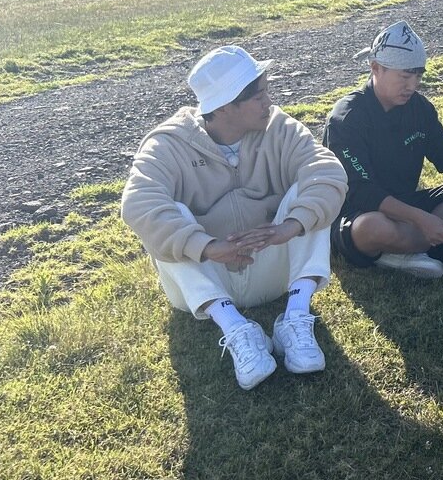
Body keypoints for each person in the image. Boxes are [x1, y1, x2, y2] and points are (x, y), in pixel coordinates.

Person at [121, 46, 348, 391]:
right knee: (170, 216)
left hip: (273, 271)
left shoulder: (280, 127)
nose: (269, 102)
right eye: (259, 96)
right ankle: (234, 327)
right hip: (206, 285)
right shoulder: (168, 143)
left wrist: (289, 227)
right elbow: (138, 203)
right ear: (225, 106)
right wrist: (209, 247)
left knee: (311, 192)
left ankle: (296, 315)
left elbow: (327, 170)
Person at [324, 20, 443, 279]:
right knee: (372, 227)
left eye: (418, 76)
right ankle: (430, 241)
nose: (412, 85)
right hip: (359, 213)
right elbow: (361, 191)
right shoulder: (347, 117)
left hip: (407, 205)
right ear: (375, 68)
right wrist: (422, 219)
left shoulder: (419, 109)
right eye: (404, 76)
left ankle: (408, 247)